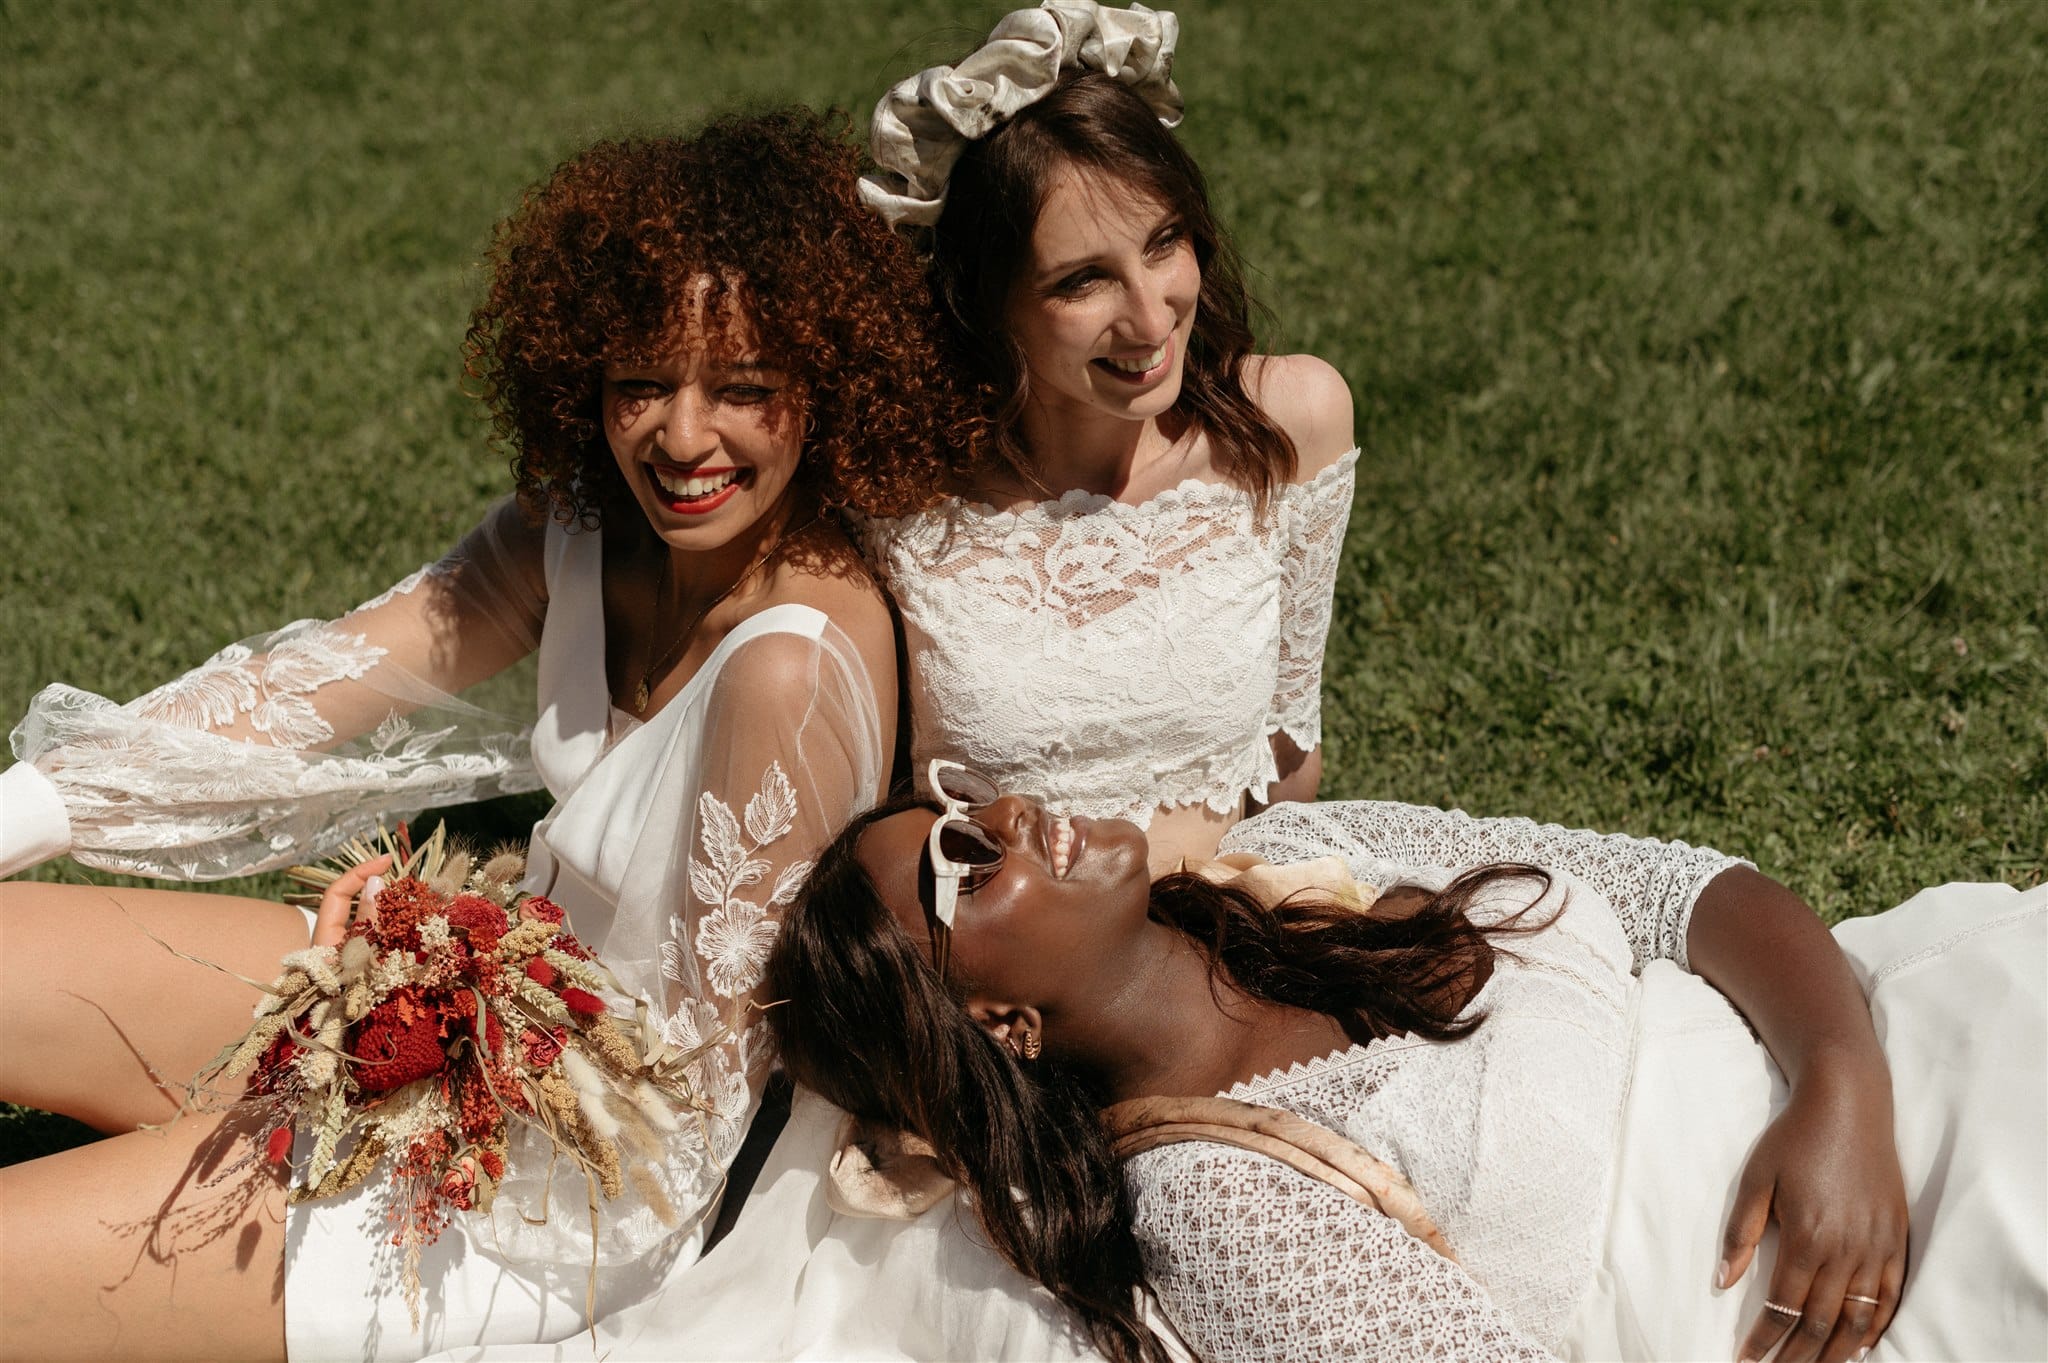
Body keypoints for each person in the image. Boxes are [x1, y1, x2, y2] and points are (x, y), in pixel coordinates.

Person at [640, 7, 1910, 1360]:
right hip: (1063, 1000)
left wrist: (1838, 1078)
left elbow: (1290, 746)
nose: (1148, 315)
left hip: (1254, 902)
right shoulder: (895, 495)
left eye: (1165, 243)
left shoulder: (1283, 428)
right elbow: (706, 540)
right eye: (1079, 281)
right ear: (987, 297)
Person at [0, 110, 985, 1362]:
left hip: (558, 1192)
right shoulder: (570, 526)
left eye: (743, 388)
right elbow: (311, 683)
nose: (683, 439)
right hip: (462, 1010)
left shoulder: (788, 666)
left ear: (827, 383)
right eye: (641, 383)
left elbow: (685, 1114)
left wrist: (433, 999)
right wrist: (20, 812)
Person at [763, 777, 2047, 1363]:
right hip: (1824, 1296)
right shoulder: (1213, 1196)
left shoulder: (1302, 846)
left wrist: (1838, 1084)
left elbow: (1675, 888)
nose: (1002, 816)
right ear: (997, 1023)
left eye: (961, 801)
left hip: (1866, 1040)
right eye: (960, 865)